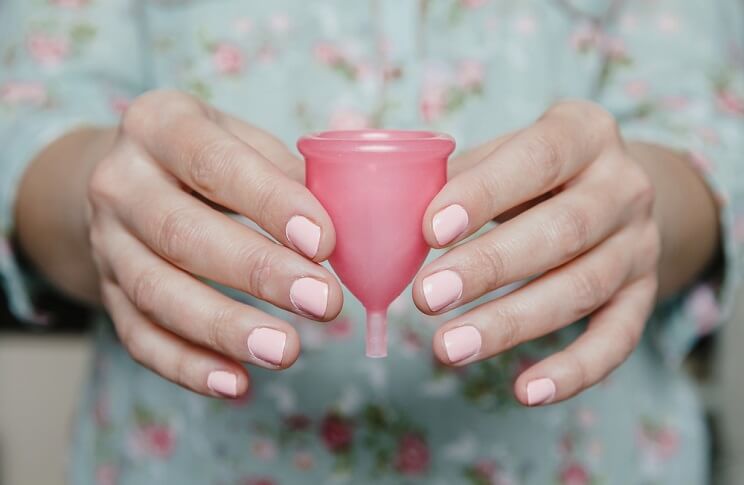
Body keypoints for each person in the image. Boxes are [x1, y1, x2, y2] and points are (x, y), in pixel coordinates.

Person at [1, 0, 742, 483]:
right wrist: (108, 197)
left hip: (590, 456)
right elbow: (34, 115)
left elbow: (698, 126)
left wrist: (633, 205)